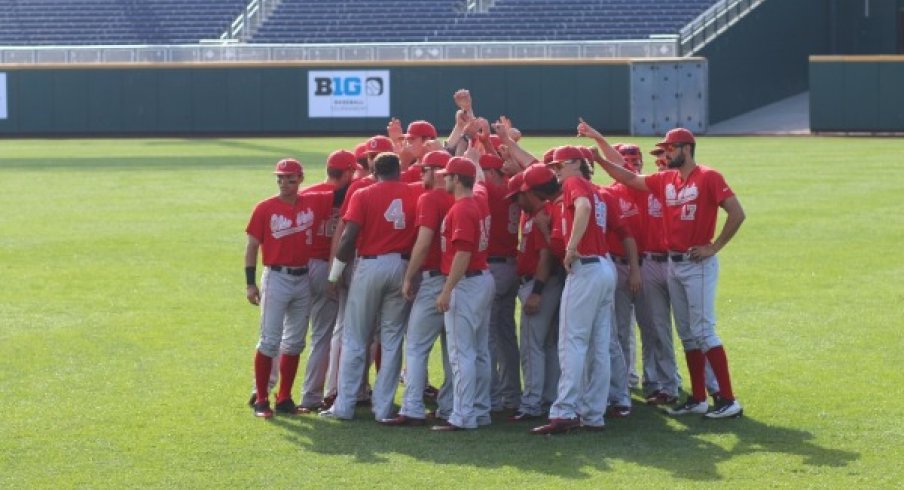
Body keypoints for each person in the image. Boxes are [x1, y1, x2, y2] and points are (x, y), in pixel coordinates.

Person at [593, 126, 746, 419]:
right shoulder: (667, 179)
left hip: (697, 262)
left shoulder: (709, 176)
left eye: (671, 148)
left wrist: (714, 247)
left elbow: (737, 213)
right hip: (675, 263)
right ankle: (698, 399)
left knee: (703, 330)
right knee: (688, 334)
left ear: (686, 148)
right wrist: (599, 160)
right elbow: (628, 177)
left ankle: (727, 399)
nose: (666, 152)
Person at [321, 152, 419, 421]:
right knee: (391, 340)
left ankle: (345, 406)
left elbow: (348, 237)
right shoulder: (414, 193)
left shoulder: (364, 194)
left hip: (371, 264)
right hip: (402, 265)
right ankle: (383, 408)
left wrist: (334, 275)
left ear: (374, 172)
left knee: (355, 337)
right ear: (399, 170)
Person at [529, 147, 619, 434]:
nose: (556, 171)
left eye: (560, 165)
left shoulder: (574, 183)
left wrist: (571, 246)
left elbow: (583, 207)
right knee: (598, 345)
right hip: (603, 267)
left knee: (573, 341)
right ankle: (593, 413)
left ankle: (565, 411)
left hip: (588, 267)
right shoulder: (591, 187)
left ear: (576, 164)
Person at [380, 150, 456, 426]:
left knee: (415, 345)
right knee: (453, 350)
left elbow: (423, 243)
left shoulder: (431, 197)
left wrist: (409, 276)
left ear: (437, 172)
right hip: (459, 280)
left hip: (435, 279)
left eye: (425, 170)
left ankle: (411, 407)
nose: (421, 174)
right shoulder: (463, 196)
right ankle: (449, 406)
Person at [244, 158, 316, 418]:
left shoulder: (310, 204)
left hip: (303, 277)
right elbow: (251, 246)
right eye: (280, 178)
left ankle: (284, 397)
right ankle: (261, 399)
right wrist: (250, 283)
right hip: (276, 277)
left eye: (290, 178)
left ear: (300, 179)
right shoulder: (265, 208)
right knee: (269, 340)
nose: (284, 183)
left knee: (295, 342)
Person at [431, 156, 495, 431]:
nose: (443, 178)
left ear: (456, 179)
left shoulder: (462, 209)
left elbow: (463, 253)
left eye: (447, 175)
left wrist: (447, 290)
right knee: (479, 351)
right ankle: (480, 411)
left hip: (465, 283)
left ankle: (463, 415)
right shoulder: (476, 202)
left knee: (461, 354)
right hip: (480, 280)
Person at [294, 149, 356, 412]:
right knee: (322, 336)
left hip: (298, 269)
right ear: (347, 172)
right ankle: (310, 397)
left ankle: (264, 388)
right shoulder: (351, 195)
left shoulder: (306, 194)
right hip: (327, 268)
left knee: (288, 336)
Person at [505, 168, 564, 421]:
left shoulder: (543, 214)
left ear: (528, 192)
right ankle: (548, 399)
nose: (515, 203)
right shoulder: (534, 214)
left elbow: (546, 257)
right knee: (547, 345)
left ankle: (531, 403)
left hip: (542, 284)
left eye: (517, 197)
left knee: (532, 346)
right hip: (544, 284)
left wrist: (536, 292)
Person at [479, 153, 522, 413]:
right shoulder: (512, 188)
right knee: (506, 335)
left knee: (488, 337)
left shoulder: (489, 192)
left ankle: (492, 397)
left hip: (494, 269)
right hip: (512, 265)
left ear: (492, 173)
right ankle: (512, 394)